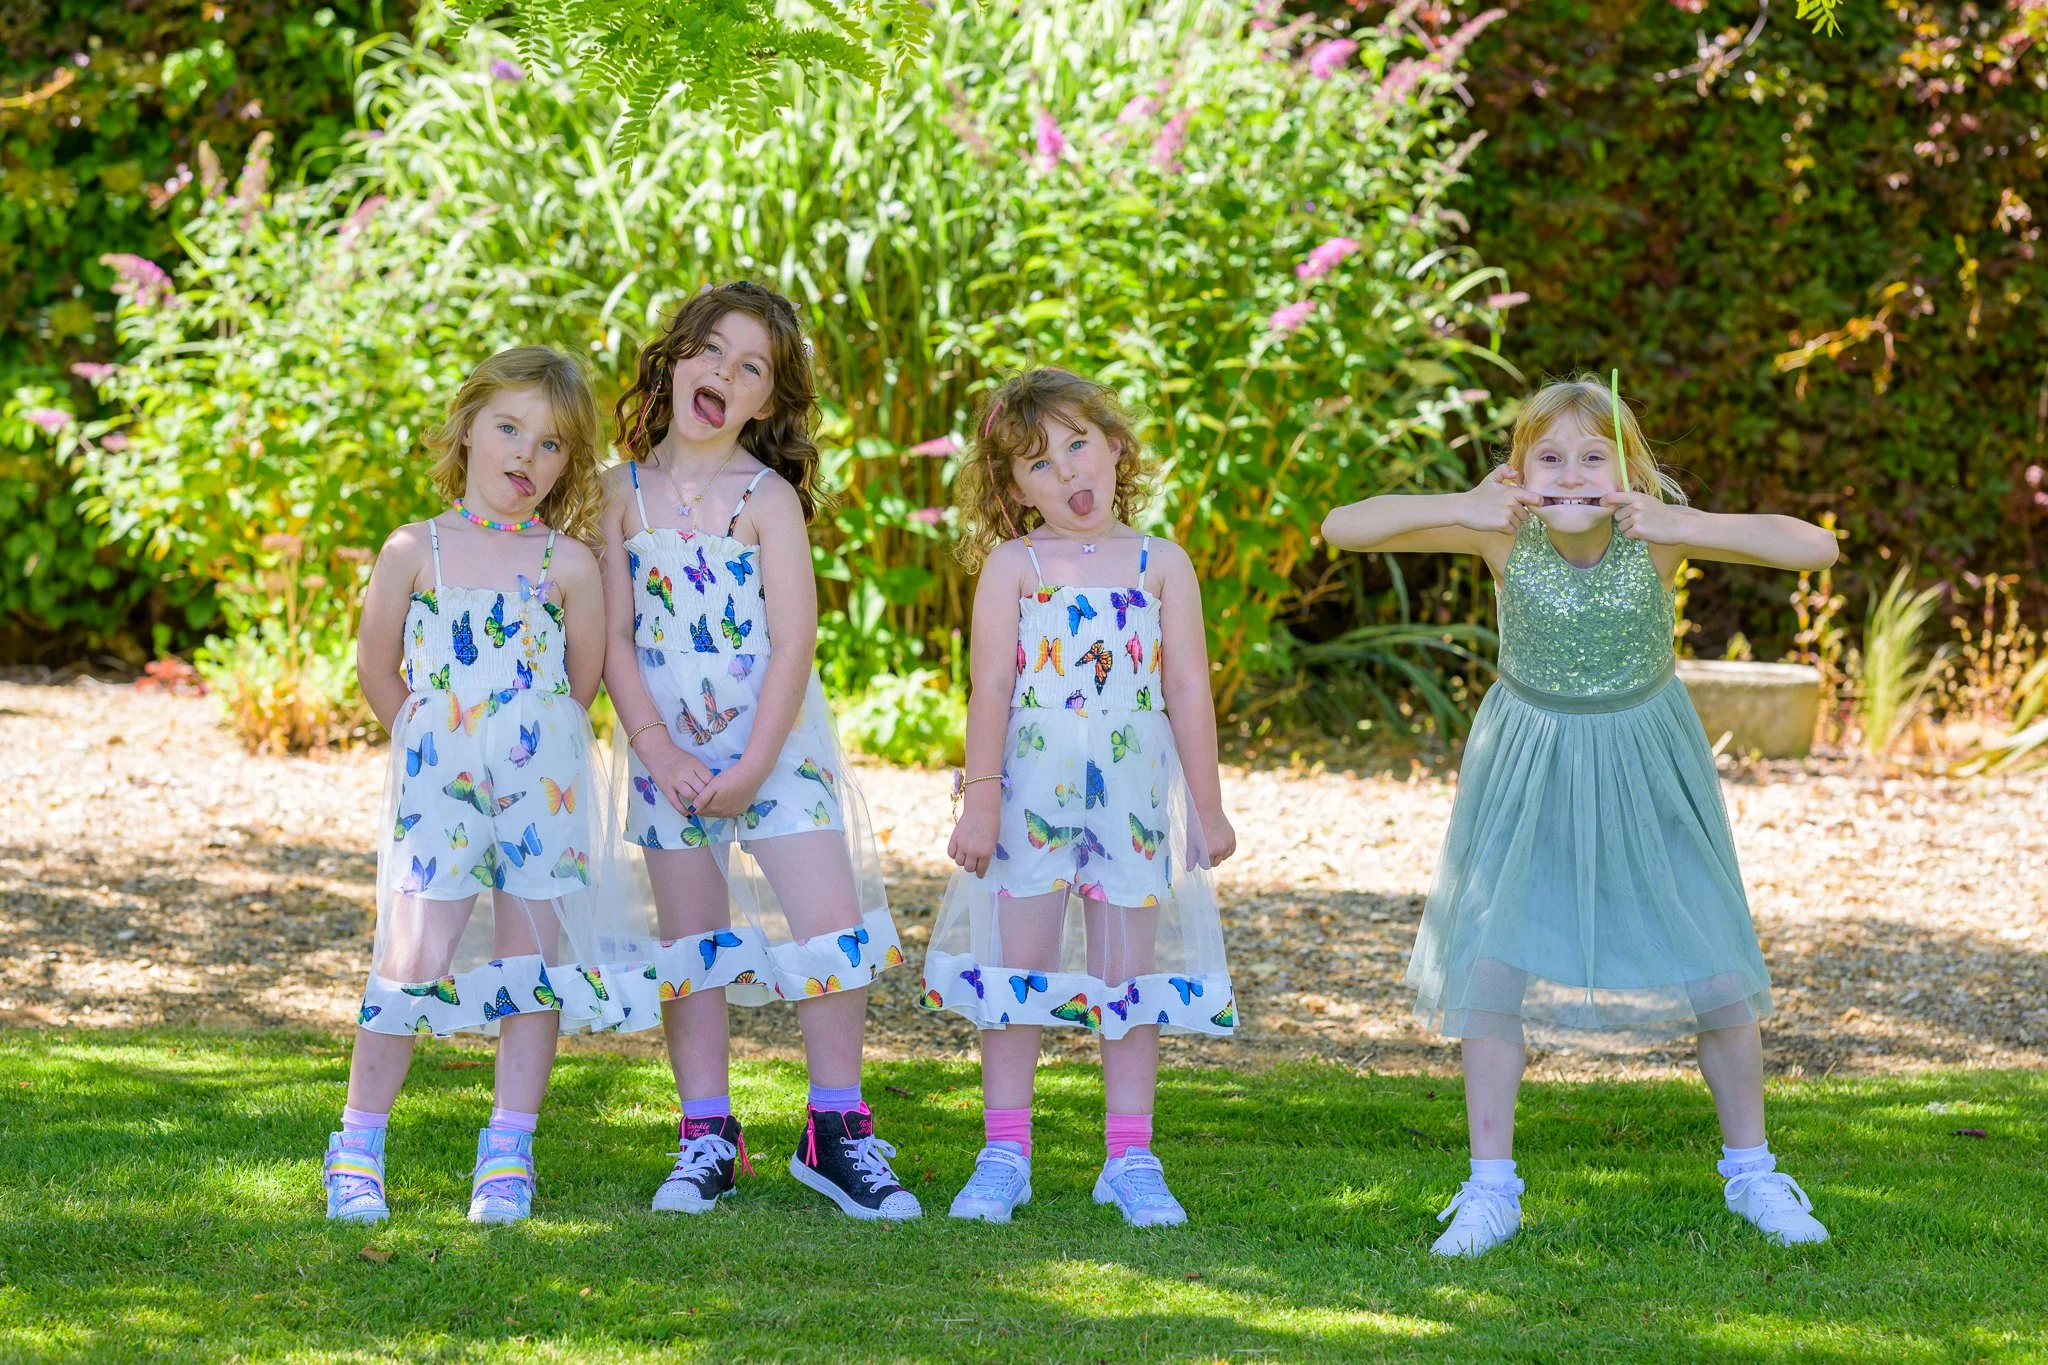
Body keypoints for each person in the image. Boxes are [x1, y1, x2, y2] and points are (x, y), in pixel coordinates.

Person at [1322, 374, 1839, 1256]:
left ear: (1626, 469)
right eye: (1548, 457)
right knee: (1493, 970)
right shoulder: (1504, 533)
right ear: (1519, 471)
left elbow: (1816, 548)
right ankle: (1491, 1188)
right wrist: (1467, 501)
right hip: (1528, 759)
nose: (1570, 474)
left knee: (1718, 971)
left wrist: (1686, 524)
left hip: (1648, 757)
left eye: (1593, 456)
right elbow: (1344, 526)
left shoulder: (1657, 538)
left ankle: (1752, 1171)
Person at [600, 282, 918, 1220]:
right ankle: (707, 1134)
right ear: (673, 360)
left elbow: (794, 641)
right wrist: (658, 750)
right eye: (710, 351)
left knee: (829, 929)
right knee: (690, 944)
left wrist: (752, 764)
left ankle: (835, 1129)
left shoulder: (767, 498)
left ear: (767, 403)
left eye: (751, 369)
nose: (723, 374)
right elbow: (613, 638)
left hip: (773, 747)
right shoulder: (620, 494)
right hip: (670, 756)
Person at [328, 346, 641, 1225]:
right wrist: (432, 737)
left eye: (550, 445)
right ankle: (357, 1141)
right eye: (509, 428)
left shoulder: (568, 565)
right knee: (413, 953)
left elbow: (578, 683)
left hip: (541, 787)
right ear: (467, 428)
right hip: (440, 785)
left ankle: (509, 1145)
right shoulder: (412, 549)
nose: (525, 456)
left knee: (529, 963)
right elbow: (376, 666)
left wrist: (521, 739)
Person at [925, 367, 1237, 1227]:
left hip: (1132, 794)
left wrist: (1205, 808)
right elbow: (989, 686)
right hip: (1031, 789)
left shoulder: (1161, 564)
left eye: (1077, 445)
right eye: (1038, 464)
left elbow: (1188, 690)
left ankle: (1130, 1154)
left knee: (1125, 975)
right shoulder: (1014, 566)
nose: (1067, 473)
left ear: (1114, 445)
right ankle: (1005, 1152)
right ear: (1012, 490)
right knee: (1017, 967)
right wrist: (979, 800)